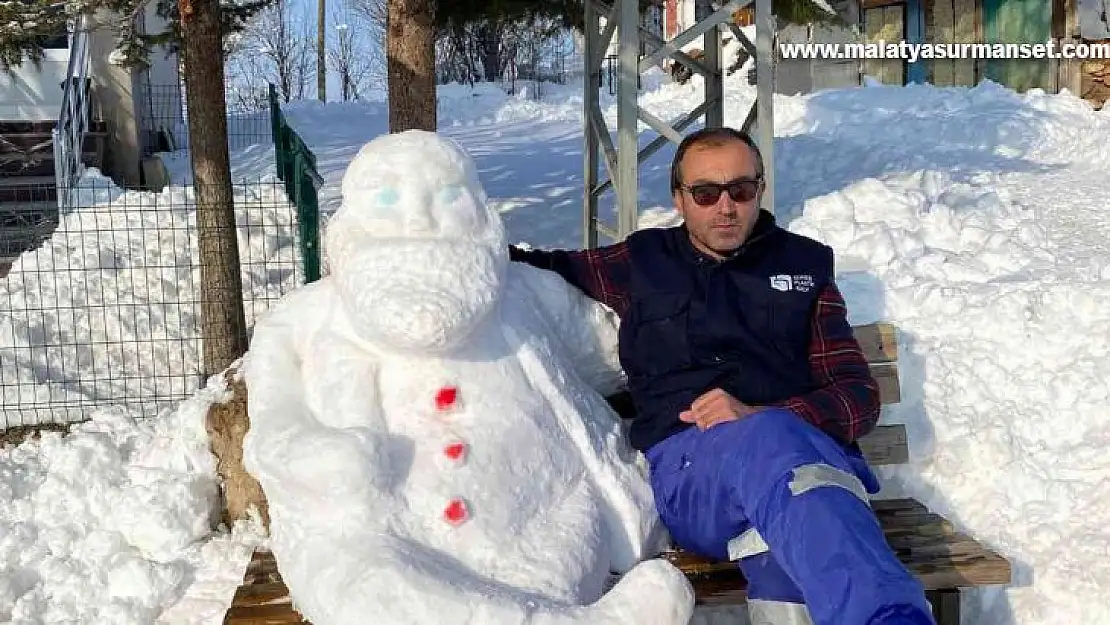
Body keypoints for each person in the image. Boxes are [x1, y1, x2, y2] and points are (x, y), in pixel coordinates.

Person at [509, 127, 936, 625]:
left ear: (760, 188)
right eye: (706, 193)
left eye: (741, 189)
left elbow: (858, 397)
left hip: (804, 469)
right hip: (694, 475)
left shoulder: (803, 266)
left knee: (781, 532)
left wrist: (764, 415)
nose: (725, 206)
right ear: (680, 199)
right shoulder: (643, 261)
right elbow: (526, 266)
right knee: (788, 470)